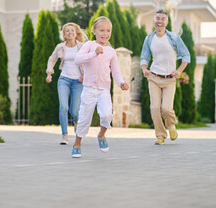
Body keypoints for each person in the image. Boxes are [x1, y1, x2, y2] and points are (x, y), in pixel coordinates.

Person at [71, 16, 129, 158]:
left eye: (108, 30)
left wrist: (121, 82)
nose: (105, 33)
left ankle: (101, 135)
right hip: (89, 88)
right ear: (94, 31)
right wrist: (93, 53)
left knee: (107, 114)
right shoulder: (89, 45)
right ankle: (77, 144)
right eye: (101, 30)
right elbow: (77, 59)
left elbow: (115, 71)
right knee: (84, 118)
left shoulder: (111, 52)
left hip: (104, 90)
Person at [140, 10, 190, 145]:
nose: (160, 21)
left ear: (167, 22)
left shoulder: (173, 38)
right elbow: (144, 57)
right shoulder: (149, 39)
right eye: (157, 18)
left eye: (163, 19)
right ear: (154, 20)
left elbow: (186, 56)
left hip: (169, 79)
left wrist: (179, 71)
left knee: (166, 108)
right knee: (155, 108)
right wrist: (145, 69)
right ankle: (160, 135)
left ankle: (171, 125)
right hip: (154, 77)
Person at [46, 22, 87, 145]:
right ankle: (64, 135)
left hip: (78, 82)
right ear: (64, 34)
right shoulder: (60, 47)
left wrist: (85, 75)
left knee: (74, 110)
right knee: (63, 107)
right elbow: (52, 59)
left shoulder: (82, 46)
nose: (70, 32)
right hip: (64, 79)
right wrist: (49, 72)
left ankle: (76, 121)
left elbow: (88, 61)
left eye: (72, 30)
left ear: (76, 33)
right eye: (67, 31)